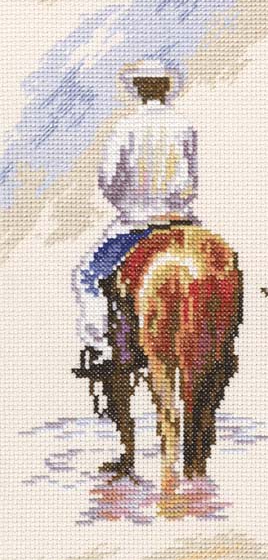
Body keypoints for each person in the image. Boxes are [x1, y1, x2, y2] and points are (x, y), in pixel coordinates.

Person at [73, 59, 198, 370]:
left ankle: (101, 345)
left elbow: (108, 180)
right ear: (166, 89)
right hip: (182, 222)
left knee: (87, 276)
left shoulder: (124, 128)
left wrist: (126, 202)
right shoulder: (184, 127)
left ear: (139, 90)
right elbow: (193, 181)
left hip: (136, 225)